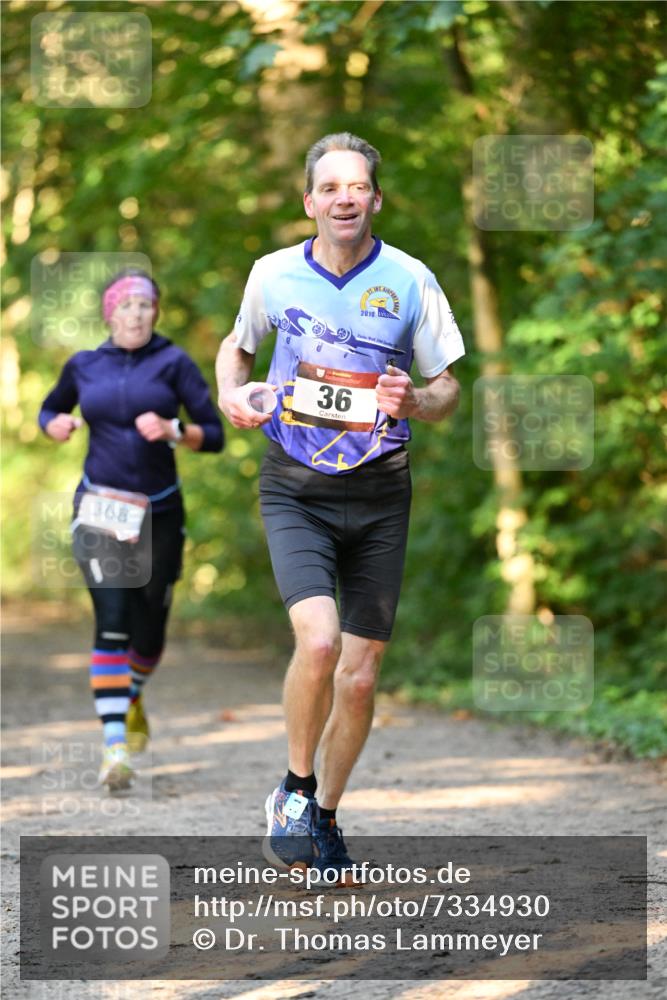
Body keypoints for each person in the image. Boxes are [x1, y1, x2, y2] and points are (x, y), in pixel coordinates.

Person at [216, 132, 464, 880]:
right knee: (320, 643)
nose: (344, 198)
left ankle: (324, 818)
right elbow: (237, 347)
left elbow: (448, 388)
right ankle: (294, 791)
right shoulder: (273, 273)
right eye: (330, 188)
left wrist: (415, 402)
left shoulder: (411, 279)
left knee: (359, 675)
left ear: (375, 199)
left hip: (381, 489)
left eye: (357, 186)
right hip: (296, 484)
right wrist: (231, 393)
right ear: (310, 202)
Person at [39, 268, 224, 791]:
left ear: (155, 312)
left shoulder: (174, 363)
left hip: (158, 513)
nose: (137, 314)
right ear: (110, 313)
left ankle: (132, 692)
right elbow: (50, 407)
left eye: (146, 305)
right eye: (127, 305)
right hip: (99, 508)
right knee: (113, 618)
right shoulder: (85, 365)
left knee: (149, 635)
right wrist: (54, 424)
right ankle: (115, 747)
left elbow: (214, 435)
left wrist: (174, 430)